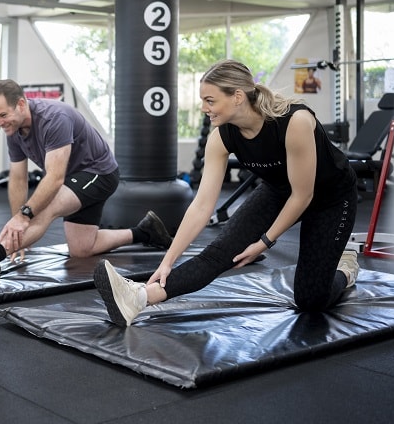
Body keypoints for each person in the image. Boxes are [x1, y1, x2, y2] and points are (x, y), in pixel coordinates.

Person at [95, 59, 359, 327]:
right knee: (220, 251)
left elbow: (303, 196)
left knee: (310, 299)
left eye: (210, 100)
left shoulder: (295, 122)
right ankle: (139, 297)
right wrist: (168, 261)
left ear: (237, 97)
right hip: (278, 191)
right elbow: (201, 206)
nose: (203, 108)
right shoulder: (221, 138)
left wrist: (265, 242)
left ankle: (345, 268)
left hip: (331, 198)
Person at [0, 79, 171, 272]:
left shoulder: (53, 118)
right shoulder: (13, 130)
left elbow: (55, 178)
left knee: (43, 209)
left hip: (98, 173)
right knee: (82, 249)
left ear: (20, 104)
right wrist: (17, 228)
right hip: (73, 179)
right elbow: (18, 178)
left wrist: (24, 217)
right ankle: (144, 232)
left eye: (3, 115)